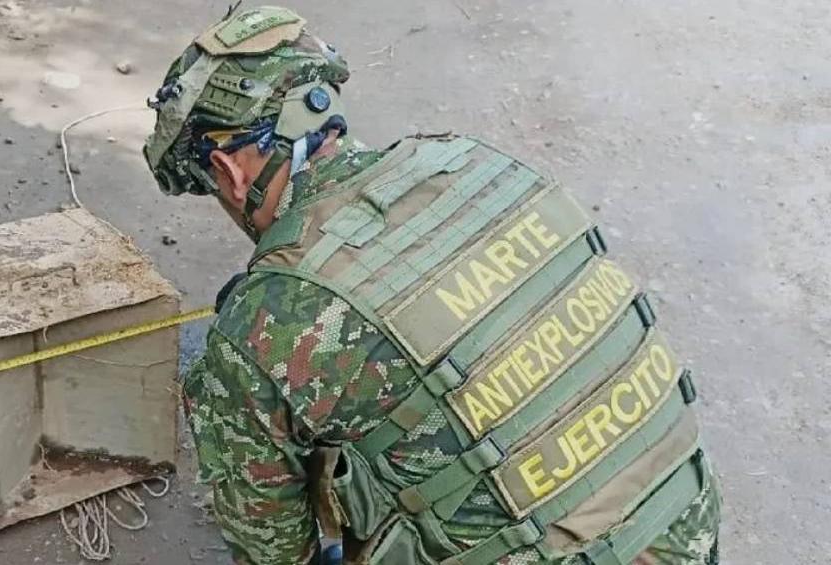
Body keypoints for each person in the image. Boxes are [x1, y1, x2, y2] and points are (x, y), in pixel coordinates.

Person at [142, 6, 722, 565]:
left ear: (229, 173)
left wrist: (246, 363)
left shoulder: (266, 323)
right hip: (683, 518)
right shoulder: (474, 163)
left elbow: (272, 553)